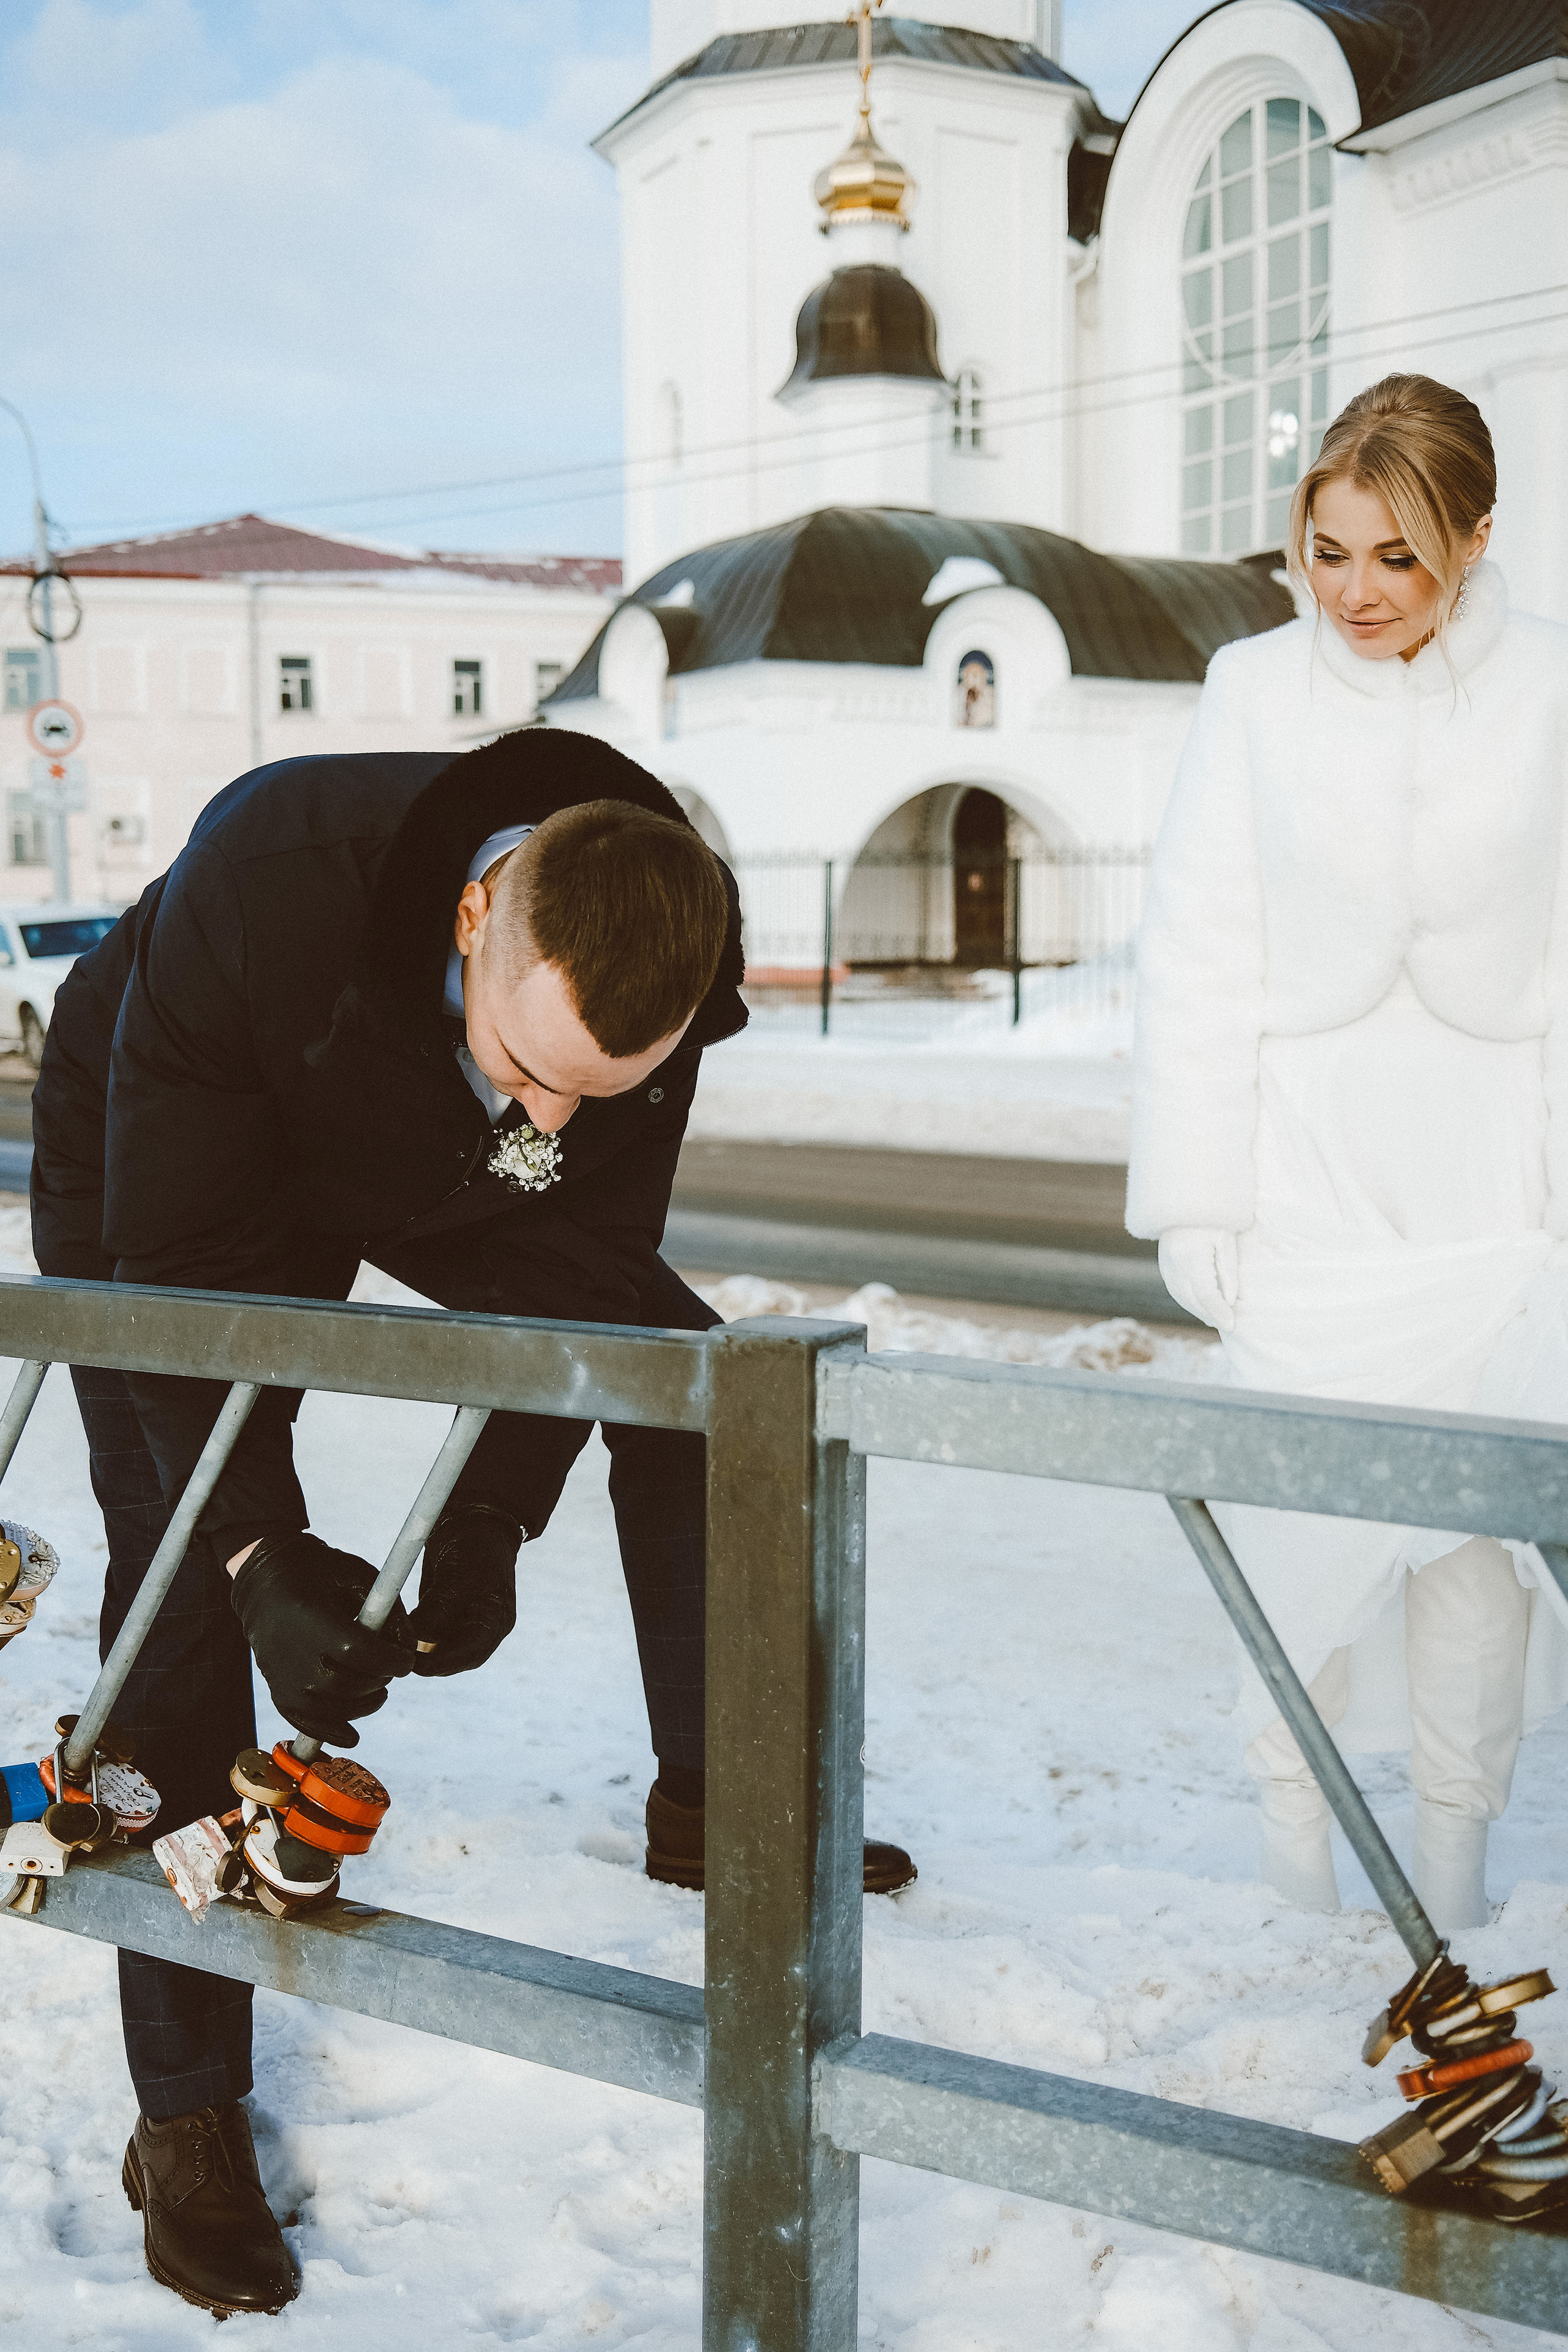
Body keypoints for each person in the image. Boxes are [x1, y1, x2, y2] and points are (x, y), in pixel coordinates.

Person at [30, 727, 915, 2320]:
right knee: (175, 1561)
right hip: (175, 1136)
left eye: (594, 1094)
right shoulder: (266, 889)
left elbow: (582, 1291)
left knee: (691, 1392)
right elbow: (184, 1294)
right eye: (530, 1069)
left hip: (418, 1146)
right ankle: (185, 2117)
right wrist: (256, 1553)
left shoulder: (658, 952)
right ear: (473, 914)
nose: (555, 1124)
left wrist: (492, 1520)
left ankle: (711, 1803)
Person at [1128, 374, 1568, 1940]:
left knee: (1471, 1549)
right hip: (1302, 1178)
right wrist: (1197, 1195)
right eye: (1325, 552)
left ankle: (1451, 1873)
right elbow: (1194, 949)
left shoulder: (1551, 687)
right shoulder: (1250, 690)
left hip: (1489, 1186)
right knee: (1294, 1532)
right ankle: (1291, 1869)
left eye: (1397, 556)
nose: (1354, 592)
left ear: (1473, 539)